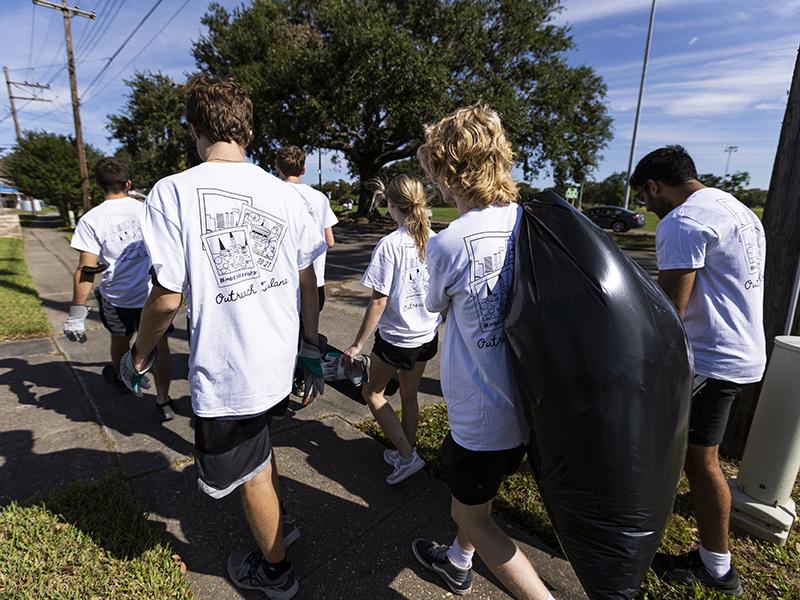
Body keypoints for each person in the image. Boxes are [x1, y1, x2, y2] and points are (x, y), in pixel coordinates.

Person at [118, 75, 327, 600]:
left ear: (193, 127)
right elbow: (307, 279)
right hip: (279, 356)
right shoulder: (286, 194)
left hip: (232, 366)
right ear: (249, 132)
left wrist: (139, 354)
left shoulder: (172, 190)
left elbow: (167, 298)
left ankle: (275, 571)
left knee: (251, 470)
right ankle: (281, 526)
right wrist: (311, 346)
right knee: (261, 445)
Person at [410, 105, 554, 600]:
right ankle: (456, 561)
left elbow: (433, 306)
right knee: (482, 500)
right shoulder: (530, 223)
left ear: (449, 171)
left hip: (481, 412)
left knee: (470, 514)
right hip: (529, 404)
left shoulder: (450, 242)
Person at [631, 145, 766, 597]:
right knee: (695, 456)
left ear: (654, 186)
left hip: (710, 358)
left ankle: (717, 568)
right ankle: (711, 559)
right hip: (740, 352)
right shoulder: (737, 208)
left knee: (698, 459)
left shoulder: (683, 221)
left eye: (645, 201)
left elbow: (671, 308)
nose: (647, 211)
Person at [342, 175, 441, 485]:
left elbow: (378, 301)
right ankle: (405, 451)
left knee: (372, 393)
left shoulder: (391, 245)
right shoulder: (435, 240)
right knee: (409, 397)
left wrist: (358, 344)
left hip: (397, 339)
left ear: (393, 205)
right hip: (426, 336)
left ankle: (408, 456)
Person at [64, 157, 174, 421]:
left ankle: (123, 378)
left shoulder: (91, 219)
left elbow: (87, 269)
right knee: (160, 344)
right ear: (128, 183)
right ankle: (163, 400)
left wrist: (77, 313)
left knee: (120, 339)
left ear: (100, 186)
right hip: (152, 294)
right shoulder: (148, 210)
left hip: (117, 297)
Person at [275, 145, 337, 396]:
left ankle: (284, 378)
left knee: (286, 334)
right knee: (307, 333)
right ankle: (302, 379)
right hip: (316, 279)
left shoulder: (275, 194)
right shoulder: (319, 197)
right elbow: (329, 240)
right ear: (303, 168)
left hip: (285, 282)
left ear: (277, 168)